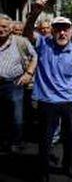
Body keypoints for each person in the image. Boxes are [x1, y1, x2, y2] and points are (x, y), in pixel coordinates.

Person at [23, 0, 72, 182]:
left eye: (65, 29)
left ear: (70, 31)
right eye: (58, 28)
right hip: (47, 101)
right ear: (52, 31)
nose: (62, 32)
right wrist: (35, 12)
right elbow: (27, 32)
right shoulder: (43, 44)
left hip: (68, 101)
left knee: (69, 137)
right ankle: (43, 170)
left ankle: (68, 165)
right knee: (45, 138)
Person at [0, 14, 37, 153]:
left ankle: (15, 142)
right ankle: (3, 139)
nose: (1, 29)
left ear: (10, 28)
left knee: (16, 115)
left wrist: (28, 73)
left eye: (4, 26)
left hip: (13, 83)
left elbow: (34, 56)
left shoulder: (21, 41)